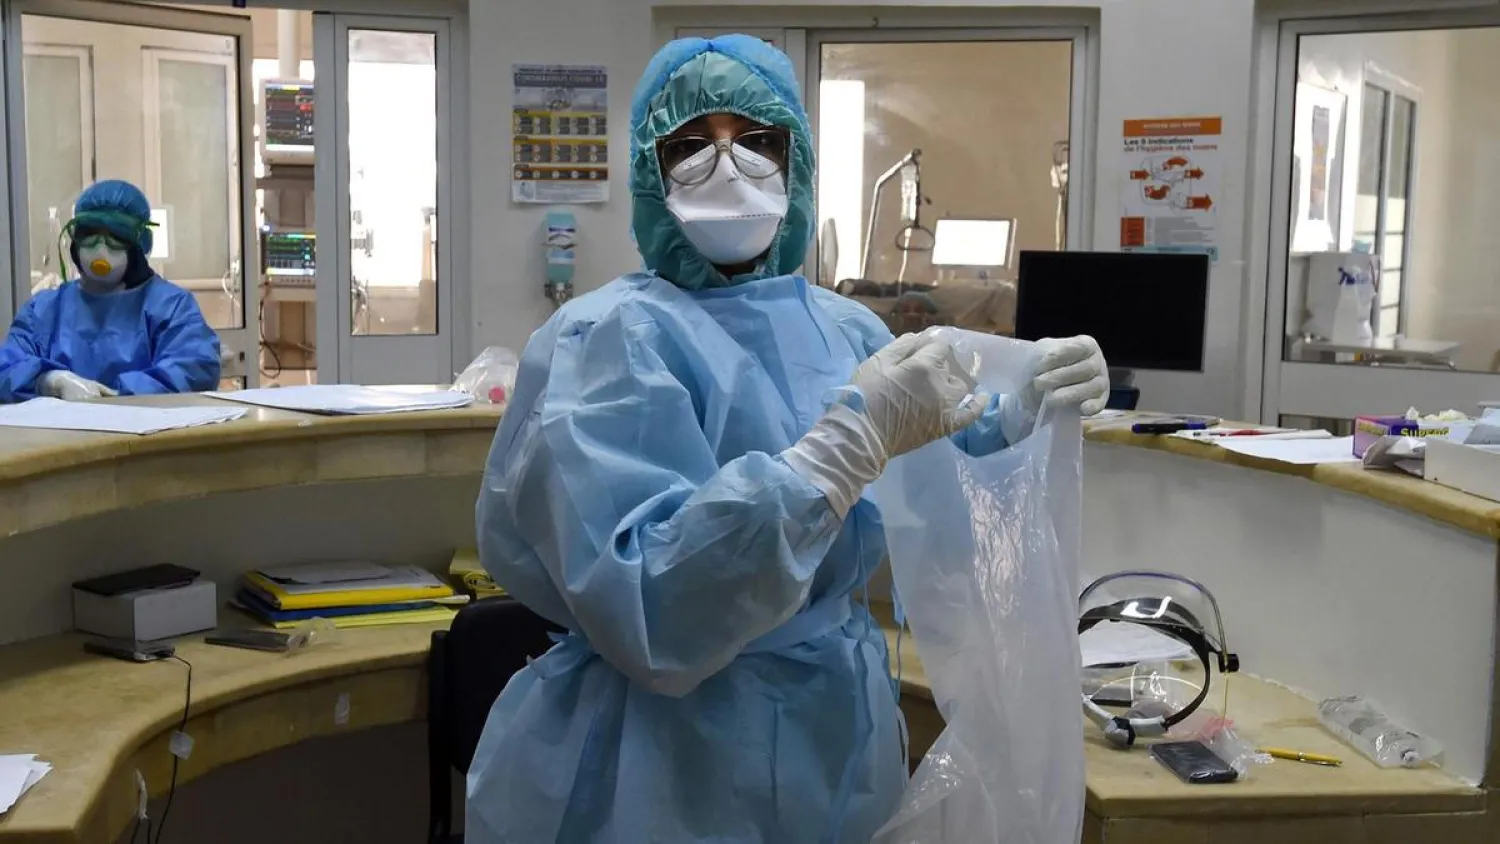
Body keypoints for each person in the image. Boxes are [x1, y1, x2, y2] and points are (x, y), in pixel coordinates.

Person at [468, 35, 1109, 843]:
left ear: (797, 163)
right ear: (649, 171)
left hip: (836, 731)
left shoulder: (843, 326)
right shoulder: (604, 340)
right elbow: (654, 610)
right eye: (693, 145)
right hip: (660, 758)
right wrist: (840, 451)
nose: (728, 169)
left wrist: (1024, 408)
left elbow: (937, 465)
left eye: (759, 143)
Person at [0, 179, 221, 402]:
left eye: (116, 236)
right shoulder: (44, 309)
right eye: (90, 234)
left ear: (139, 242)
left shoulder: (171, 307)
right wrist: (49, 381)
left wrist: (117, 398)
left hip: (147, 434)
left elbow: (193, 369)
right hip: (60, 436)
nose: (100, 248)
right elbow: (6, 368)